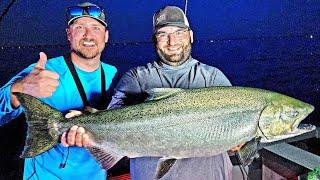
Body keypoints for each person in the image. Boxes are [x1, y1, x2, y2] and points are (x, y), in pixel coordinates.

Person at [107, 6, 233, 180]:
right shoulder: (135, 78)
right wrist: (83, 123)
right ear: (154, 40)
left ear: (191, 36)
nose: (172, 41)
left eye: (179, 32)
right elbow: (109, 122)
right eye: (163, 34)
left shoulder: (213, 78)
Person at [0, 2, 117, 179]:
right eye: (79, 27)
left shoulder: (114, 74)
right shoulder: (42, 71)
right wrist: (19, 89)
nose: (88, 35)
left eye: (96, 28)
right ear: (68, 34)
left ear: (106, 36)